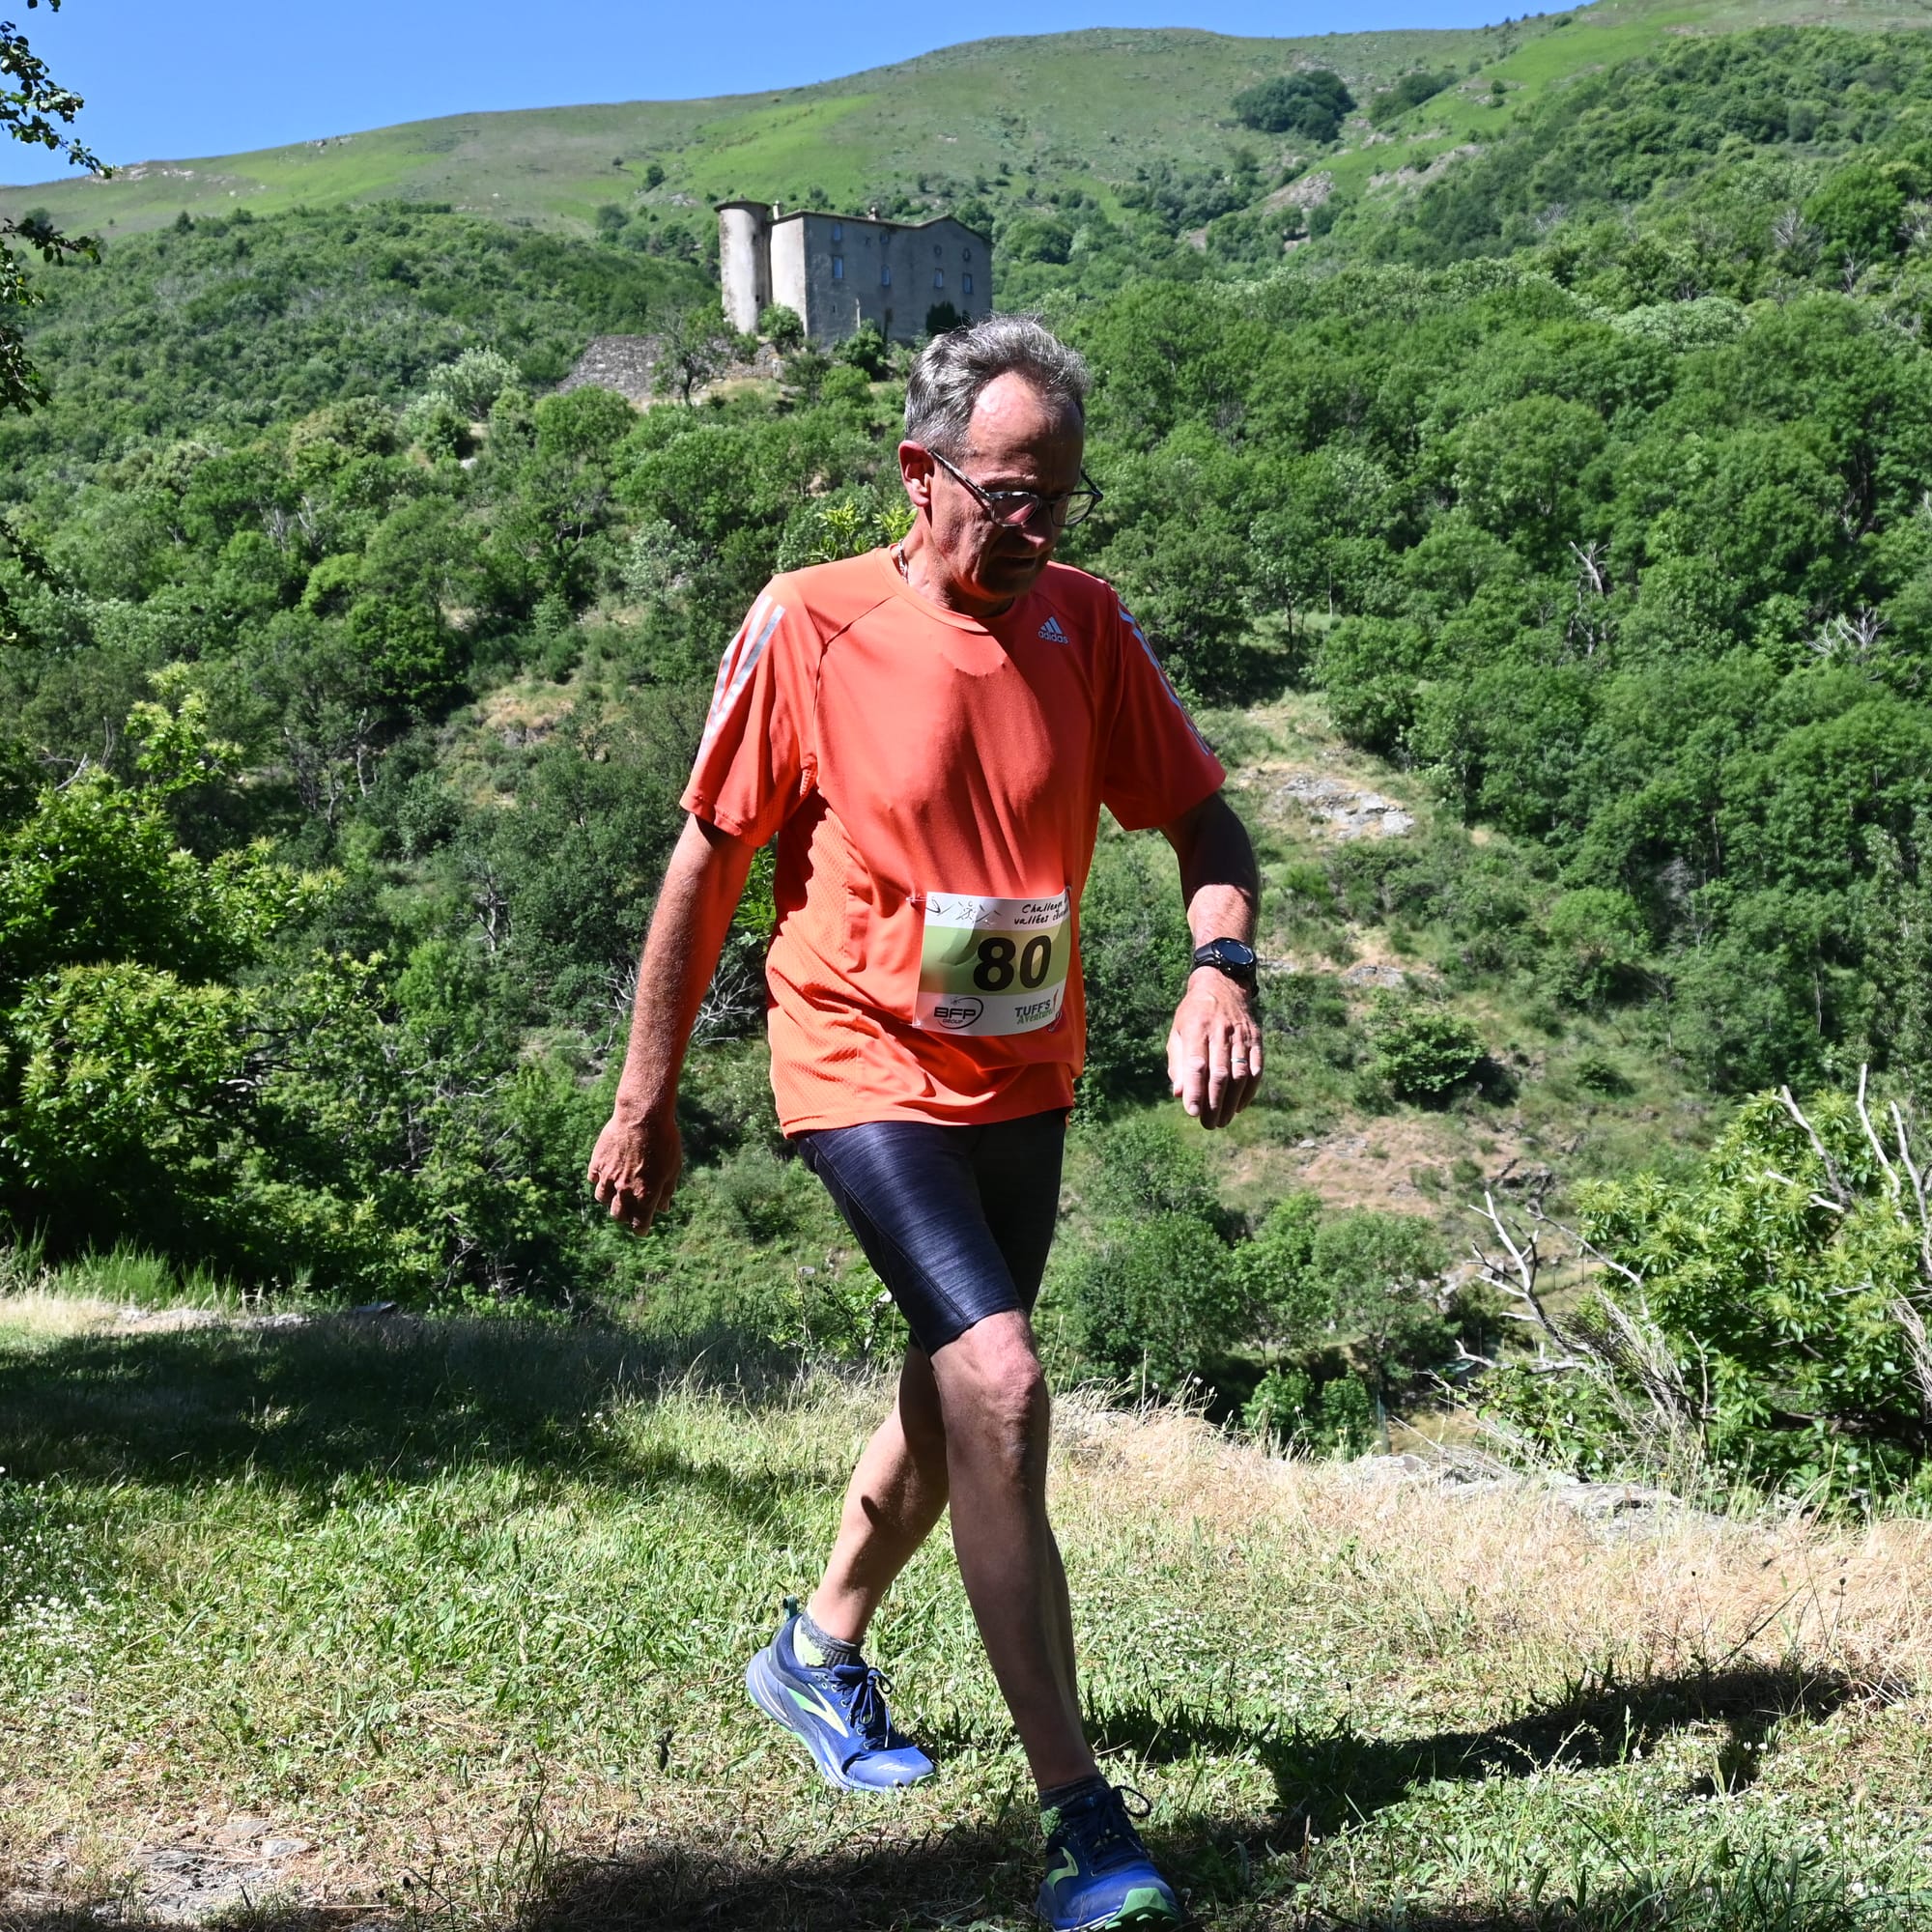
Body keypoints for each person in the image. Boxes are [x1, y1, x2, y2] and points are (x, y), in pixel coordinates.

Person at [587, 313, 1264, 1932]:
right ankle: (1080, 1818)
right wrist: (644, 1095)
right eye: (1009, 495)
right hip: (857, 1062)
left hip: (1022, 1072)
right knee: (1002, 1381)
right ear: (922, 471)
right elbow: (708, 864)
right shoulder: (812, 622)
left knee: (956, 1381)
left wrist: (1218, 968)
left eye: (1060, 499)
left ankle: (816, 1647)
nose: (1036, 530)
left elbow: (1205, 818)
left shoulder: (1086, 624)